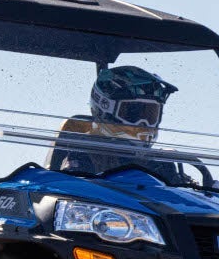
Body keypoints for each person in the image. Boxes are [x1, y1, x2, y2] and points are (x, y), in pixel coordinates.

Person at [48, 65, 179, 178]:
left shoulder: (161, 165)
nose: (143, 123)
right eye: (133, 112)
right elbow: (76, 189)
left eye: (151, 114)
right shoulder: (83, 156)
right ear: (105, 110)